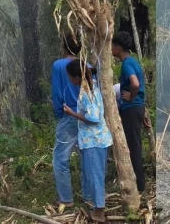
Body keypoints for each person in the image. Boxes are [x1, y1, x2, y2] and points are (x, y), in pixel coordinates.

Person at [64, 60, 111, 223]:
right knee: (93, 172)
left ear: (77, 77)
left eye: (70, 77)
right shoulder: (94, 84)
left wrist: (71, 113)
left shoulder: (86, 92)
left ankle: (99, 211)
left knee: (95, 174)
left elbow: (93, 117)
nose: (69, 80)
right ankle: (94, 202)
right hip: (99, 139)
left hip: (93, 141)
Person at [111, 32, 146, 193]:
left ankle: (139, 186)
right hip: (137, 108)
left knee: (134, 146)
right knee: (135, 144)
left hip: (131, 109)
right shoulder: (133, 61)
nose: (111, 49)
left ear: (118, 47)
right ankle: (139, 184)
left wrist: (131, 97)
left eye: (112, 46)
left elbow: (135, 83)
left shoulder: (126, 64)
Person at [51, 35, 81, 210]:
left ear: (64, 46)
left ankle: (66, 198)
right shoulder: (89, 66)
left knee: (60, 158)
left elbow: (57, 92)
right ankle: (90, 196)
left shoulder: (58, 65)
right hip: (86, 115)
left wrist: (58, 113)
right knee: (86, 155)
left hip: (68, 114)